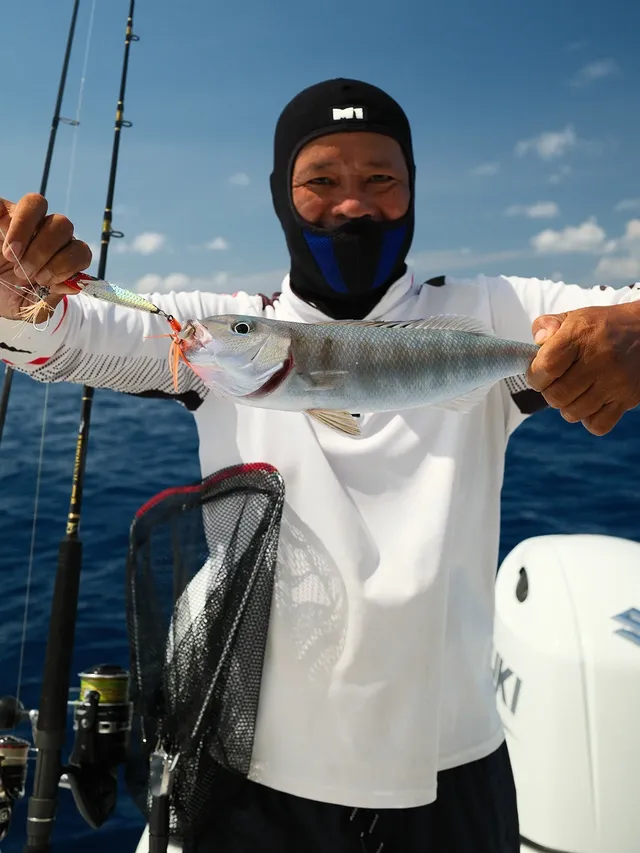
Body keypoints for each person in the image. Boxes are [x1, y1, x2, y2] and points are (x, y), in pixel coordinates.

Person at [1, 78, 640, 852]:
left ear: (412, 190)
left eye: (381, 180)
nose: (353, 206)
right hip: (250, 776)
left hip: (455, 773)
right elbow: (65, 333)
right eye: (321, 181)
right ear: (280, 194)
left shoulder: (501, 312)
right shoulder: (223, 336)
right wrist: (15, 292)